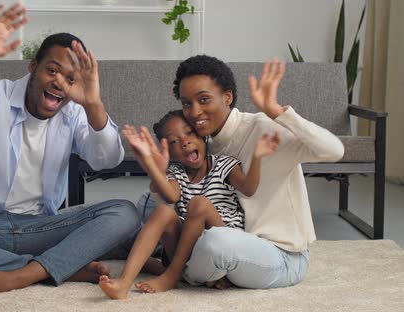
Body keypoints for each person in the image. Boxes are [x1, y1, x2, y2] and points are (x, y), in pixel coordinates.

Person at [0, 4, 141, 298]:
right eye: (52, 70)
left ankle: (25, 273)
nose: (59, 82)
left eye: (70, 79)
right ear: (33, 67)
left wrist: (93, 105)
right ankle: (54, 267)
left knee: (124, 212)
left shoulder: (75, 113)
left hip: (40, 227)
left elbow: (106, 159)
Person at [137, 55, 344, 290]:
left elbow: (334, 150)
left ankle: (172, 270)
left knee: (215, 242)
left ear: (228, 97)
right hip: (237, 244)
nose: (195, 112)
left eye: (204, 99)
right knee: (149, 203)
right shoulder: (205, 144)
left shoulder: (265, 129)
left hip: (281, 257)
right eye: (187, 104)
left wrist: (279, 113)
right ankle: (176, 264)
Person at [99, 110, 279, 299]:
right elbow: (170, 195)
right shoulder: (176, 172)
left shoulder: (225, 164)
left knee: (199, 204)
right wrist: (153, 167)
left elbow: (249, 188)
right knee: (163, 212)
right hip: (186, 252)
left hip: (222, 245)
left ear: (203, 135)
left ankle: (172, 275)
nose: (185, 141)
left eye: (190, 133)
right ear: (170, 152)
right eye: (174, 142)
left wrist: (258, 157)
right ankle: (124, 283)